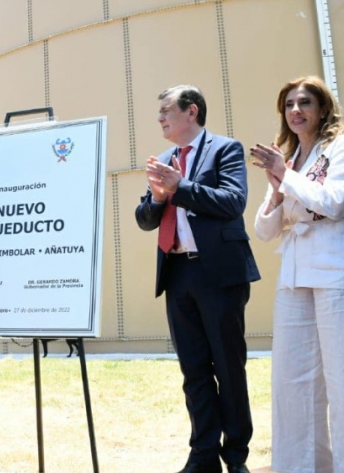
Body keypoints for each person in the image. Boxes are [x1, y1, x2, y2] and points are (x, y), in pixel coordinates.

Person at [250, 76, 344, 473]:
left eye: (305, 102)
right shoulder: (290, 159)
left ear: (322, 108)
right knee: (294, 385)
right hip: (296, 276)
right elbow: (265, 231)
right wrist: (280, 188)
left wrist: (287, 177)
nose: (296, 110)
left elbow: (336, 203)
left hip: (340, 270)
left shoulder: (342, 148)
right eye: (288, 104)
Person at [135, 85, 260, 473]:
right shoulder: (166, 159)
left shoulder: (226, 149)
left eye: (166, 110)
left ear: (191, 112)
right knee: (194, 371)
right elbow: (144, 219)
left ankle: (235, 456)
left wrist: (180, 187)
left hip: (219, 274)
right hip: (178, 273)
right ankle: (203, 455)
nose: (159, 118)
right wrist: (157, 198)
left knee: (228, 368)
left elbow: (232, 202)